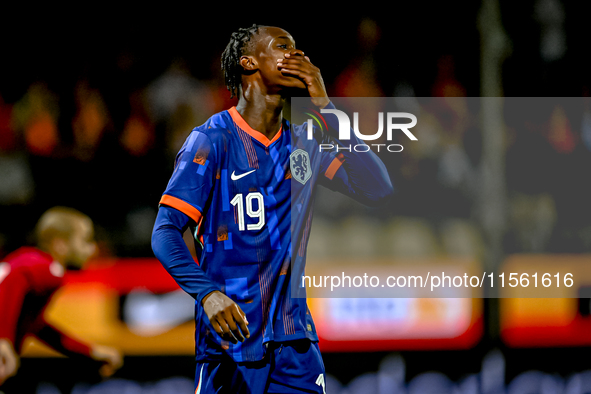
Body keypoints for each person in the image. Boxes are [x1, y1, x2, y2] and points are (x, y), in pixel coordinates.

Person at [151, 24, 393, 393]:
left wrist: (327, 108)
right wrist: (207, 293)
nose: (297, 56)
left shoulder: (305, 142)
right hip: (229, 343)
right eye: (283, 47)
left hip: (296, 345)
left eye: (297, 48)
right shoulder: (211, 139)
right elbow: (165, 231)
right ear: (248, 62)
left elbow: (377, 188)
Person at [0, 206, 123, 389]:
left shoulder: (31, 260)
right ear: (60, 245)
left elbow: (37, 325)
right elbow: (15, 279)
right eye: (86, 241)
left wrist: (89, 351)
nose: (93, 248)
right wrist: (3, 341)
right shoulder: (50, 269)